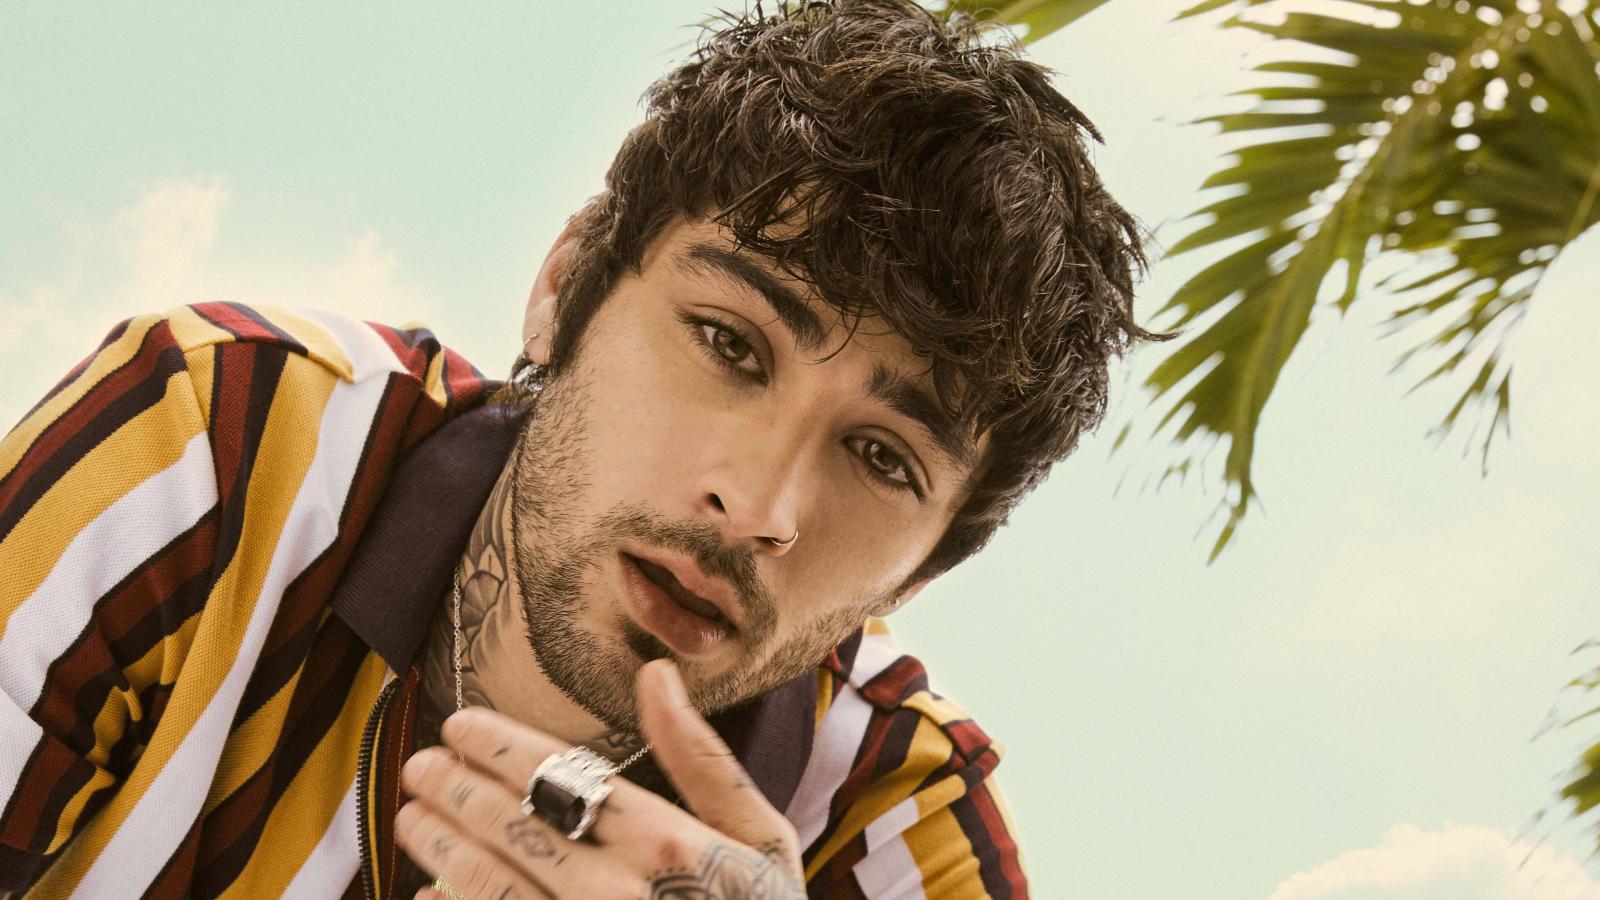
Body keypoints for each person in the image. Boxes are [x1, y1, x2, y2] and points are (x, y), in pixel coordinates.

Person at [0, 1, 1159, 896]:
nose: (758, 503)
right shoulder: (225, 443)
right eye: (729, 343)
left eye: (881, 457)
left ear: (923, 571)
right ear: (563, 289)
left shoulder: (892, 821)